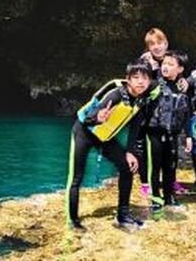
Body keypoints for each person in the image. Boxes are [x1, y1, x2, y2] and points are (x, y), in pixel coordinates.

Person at [66, 62, 156, 230]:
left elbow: (135, 127)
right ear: (128, 79)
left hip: (105, 137)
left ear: (149, 81)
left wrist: (130, 151)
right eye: (136, 77)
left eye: (145, 78)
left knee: (127, 167)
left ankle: (123, 215)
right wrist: (98, 118)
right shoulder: (115, 96)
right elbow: (88, 118)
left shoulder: (141, 100)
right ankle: (73, 220)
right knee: (77, 177)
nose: (140, 82)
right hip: (84, 132)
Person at [142, 51, 191, 215]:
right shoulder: (154, 84)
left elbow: (187, 114)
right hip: (154, 133)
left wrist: (189, 136)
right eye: (164, 63)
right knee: (155, 167)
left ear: (180, 69)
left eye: (171, 64)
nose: (166, 67)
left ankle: (169, 196)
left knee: (171, 166)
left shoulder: (183, 88)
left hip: (172, 134)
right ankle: (156, 198)